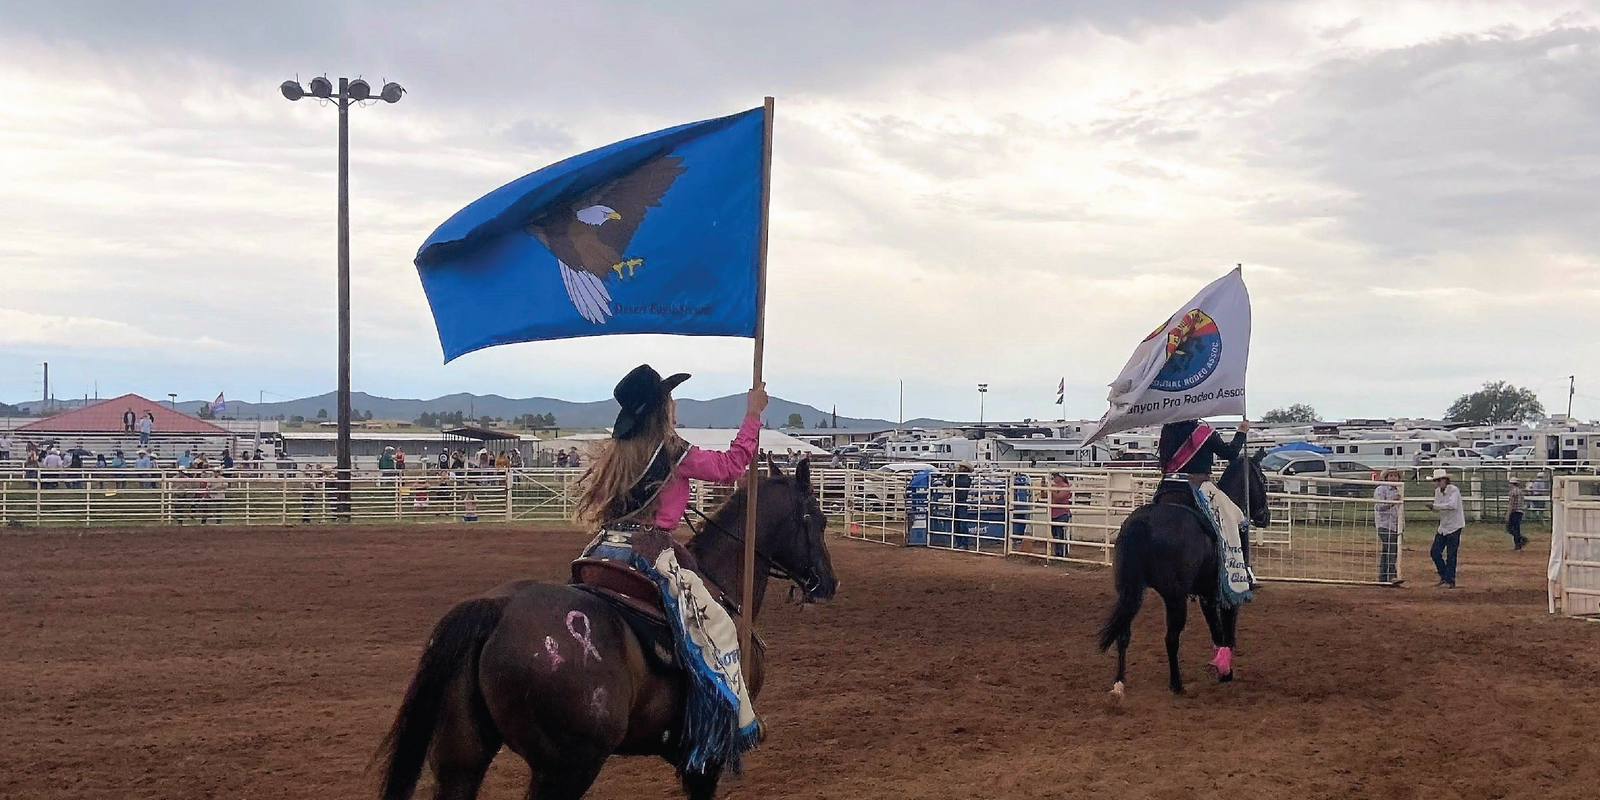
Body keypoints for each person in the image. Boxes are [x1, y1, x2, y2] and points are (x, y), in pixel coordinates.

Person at [573, 364, 768, 773]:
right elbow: (732, 465)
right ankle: (727, 720)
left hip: (604, 548)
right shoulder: (672, 451)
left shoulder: (619, 453)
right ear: (662, 408)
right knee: (718, 625)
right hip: (651, 551)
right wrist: (753, 415)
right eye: (669, 399)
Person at [1157, 418, 1253, 597]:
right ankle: (1242, 571)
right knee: (1238, 519)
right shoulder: (1204, 432)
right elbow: (1230, 453)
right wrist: (1242, 432)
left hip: (1167, 486)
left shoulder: (1167, 431)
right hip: (1198, 486)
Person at [1429, 469, 1464, 589]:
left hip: (1454, 526)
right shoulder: (1437, 491)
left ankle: (1450, 580)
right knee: (1435, 552)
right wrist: (1434, 507)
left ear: (1445, 480)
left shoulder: (1454, 490)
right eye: (1436, 480)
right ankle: (1444, 576)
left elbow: (1452, 505)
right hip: (1444, 526)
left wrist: (1434, 506)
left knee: (1451, 554)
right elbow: (1440, 507)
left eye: (1439, 480)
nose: (1437, 483)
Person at [1374, 469, 1404, 585]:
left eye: (1395, 476)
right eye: (1391, 475)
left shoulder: (1399, 490)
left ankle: (1384, 576)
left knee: (1388, 550)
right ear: (1386, 478)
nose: (1393, 478)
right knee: (1391, 549)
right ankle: (1391, 575)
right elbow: (1379, 506)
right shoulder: (1381, 489)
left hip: (1395, 526)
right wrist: (1392, 502)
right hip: (1384, 524)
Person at [1049, 473, 1073, 558]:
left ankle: (1062, 552)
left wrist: (1052, 490)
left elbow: (1059, 498)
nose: (1054, 478)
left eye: (1055, 476)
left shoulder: (1065, 487)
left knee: (1060, 533)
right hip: (1054, 513)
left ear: (1061, 477)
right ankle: (1058, 552)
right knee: (1055, 533)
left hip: (1062, 513)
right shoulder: (1055, 486)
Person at [1506, 477, 1528, 551]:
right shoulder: (1520, 491)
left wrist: (1508, 514)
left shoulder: (1513, 492)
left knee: (1510, 528)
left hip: (1514, 511)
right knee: (1516, 528)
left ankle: (1521, 539)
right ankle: (1518, 545)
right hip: (1520, 511)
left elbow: (1511, 504)